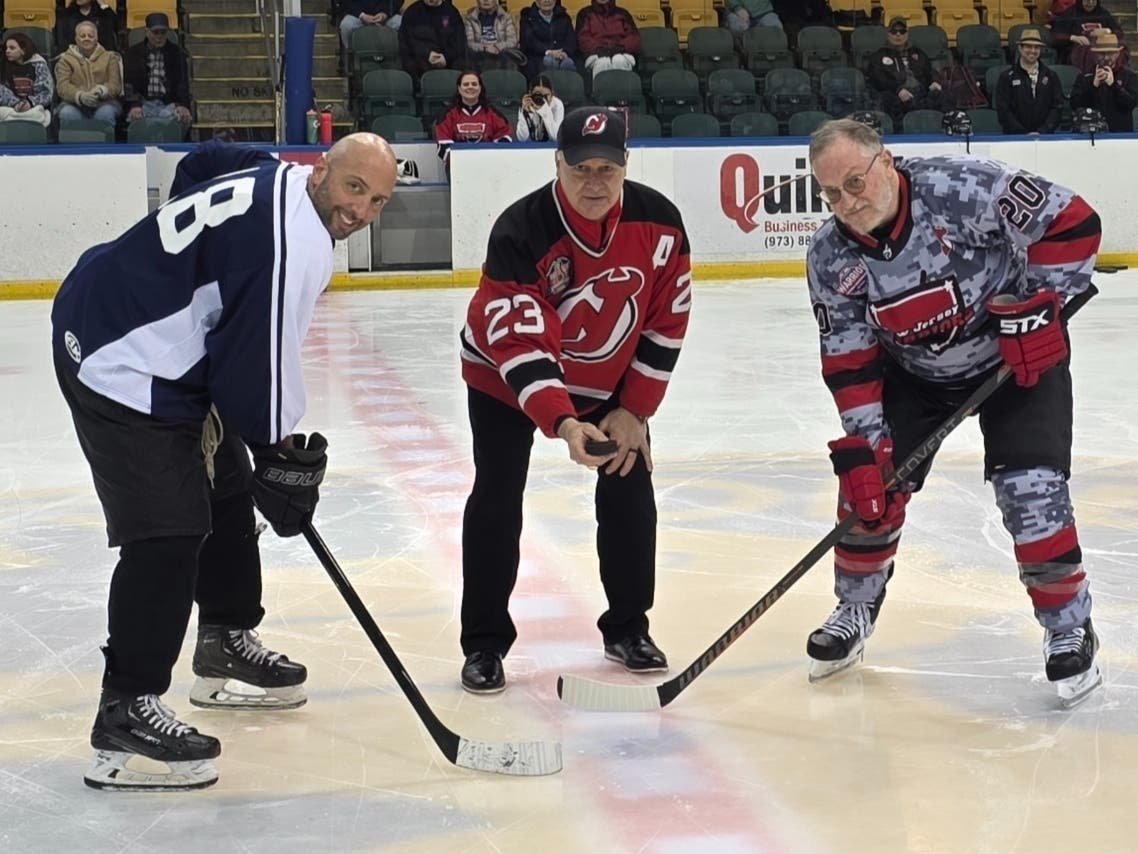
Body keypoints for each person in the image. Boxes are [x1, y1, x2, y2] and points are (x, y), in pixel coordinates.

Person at [52, 134, 398, 791]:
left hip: (122, 308)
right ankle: (125, 709)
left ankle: (223, 641)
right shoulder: (293, 245)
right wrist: (277, 453)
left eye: (378, 200)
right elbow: (255, 366)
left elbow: (200, 163)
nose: (361, 211)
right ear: (321, 170)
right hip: (116, 356)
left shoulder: (275, 172)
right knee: (168, 531)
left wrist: (189, 261)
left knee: (228, 491)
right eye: (354, 188)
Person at [803, 118, 1103, 707]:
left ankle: (1069, 626)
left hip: (1015, 362)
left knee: (1031, 488)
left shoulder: (961, 188)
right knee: (869, 487)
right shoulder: (831, 256)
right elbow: (848, 360)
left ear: (886, 162)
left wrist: (1037, 309)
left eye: (856, 183)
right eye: (831, 193)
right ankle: (854, 608)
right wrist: (870, 447)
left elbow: (1072, 222)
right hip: (914, 376)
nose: (847, 203)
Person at [457, 106, 692, 693]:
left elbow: (666, 322)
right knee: (497, 495)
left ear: (625, 164)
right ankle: (484, 642)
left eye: (606, 169)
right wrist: (562, 422)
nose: (594, 182)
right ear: (557, 162)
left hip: (609, 382)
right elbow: (521, 341)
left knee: (630, 487)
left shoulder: (661, 223)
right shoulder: (521, 229)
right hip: (504, 378)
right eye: (580, 168)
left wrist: (634, 411)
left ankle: (628, 628)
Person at [864, 17, 952, 126]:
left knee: (944, 96)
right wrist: (898, 90)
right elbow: (878, 79)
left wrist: (934, 81)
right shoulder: (879, 56)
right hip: (896, 94)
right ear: (888, 34)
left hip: (920, 93)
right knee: (887, 99)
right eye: (894, 31)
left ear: (907, 34)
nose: (898, 35)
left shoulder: (917, 53)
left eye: (902, 31)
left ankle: (947, 129)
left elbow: (929, 71)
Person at [123, 13, 193, 136]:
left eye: (163, 32)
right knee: (135, 119)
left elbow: (182, 84)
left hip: (169, 104)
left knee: (183, 118)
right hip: (143, 103)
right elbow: (129, 85)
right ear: (147, 32)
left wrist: (182, 105)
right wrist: (135, 105)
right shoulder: (133, 54)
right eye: (155, 32)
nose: (159, 36)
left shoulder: (177, 53)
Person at [434, 70, 513, 177]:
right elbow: (443, 145)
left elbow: (505, 138)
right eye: (466, 84)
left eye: (474, 84)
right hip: (458, 169)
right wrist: (466, 161)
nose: (470, 87)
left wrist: (487, 159)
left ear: (480, 88)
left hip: (489, 168)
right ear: (459, 89)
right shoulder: (447, 115)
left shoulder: (493, 113)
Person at [55, 20, 124, 128]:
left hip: (105, 103)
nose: (86, 38)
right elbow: (62, 87)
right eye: (82, 36)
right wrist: (80, 96)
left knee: (105, 114)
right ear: (76, 39)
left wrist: (102, 90)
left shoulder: (110, 58)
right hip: (73, 104)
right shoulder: (65, 60)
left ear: (96, 38)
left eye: (90, 36)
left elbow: (115, 86)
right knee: (67, 113)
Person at [995, 27, 1063, 135]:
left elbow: (1057, 107)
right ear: (1020, 48)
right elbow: (1003, 110)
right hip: (1015, 138)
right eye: (1028, 46)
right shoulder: (1007, 77)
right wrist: (1022, 134)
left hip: (1045, 137)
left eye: (1036, 47)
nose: (1033, 51)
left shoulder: (1051, 76)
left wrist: (1043, 131)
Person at [1069, 31, 1138, 132]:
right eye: (1101, 53)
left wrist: (1113, 86)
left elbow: (1131, 104)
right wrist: (1093, 86)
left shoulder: (1129, 76)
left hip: (1120, 134)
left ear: (1117, 54)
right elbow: (1075, 105)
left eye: (1110, 53)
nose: (1106, 57)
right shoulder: (1085, 76)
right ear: (1095, 54)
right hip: (1091, 134)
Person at [575, 0, 641, 81]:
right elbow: (583, 39)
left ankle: (623, 89)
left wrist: (620, 47)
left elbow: (634, 38)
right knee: (603, 62)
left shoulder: (623, 14)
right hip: (595, 54)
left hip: (622, 52)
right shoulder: (584, 14)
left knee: (619, 60)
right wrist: (599, 49)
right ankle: (600, 89)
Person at [399, 0, 467, 76]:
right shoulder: (412, 12)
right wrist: (427, 54)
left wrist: (446, 58)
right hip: (420, 63)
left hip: (448, 62)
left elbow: (459, 41)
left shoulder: (451, 12)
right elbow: (407, 41)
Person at [0, 32, 54, 127]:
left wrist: (30, 103)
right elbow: (2, 90)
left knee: (37, 114)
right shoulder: (4, 65)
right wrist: (16, 103)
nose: (7, 51)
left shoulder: (39, 65)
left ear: (23, 51)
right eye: (6, 48)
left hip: (33, 107)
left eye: (12, 48)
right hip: (11, 107)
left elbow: (46, 93)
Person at [1050, 0, 1124, 66]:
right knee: (1088, 53)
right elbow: (1055, 36)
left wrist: (1108, 31)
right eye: (1087, 0)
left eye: (1093, 1)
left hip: (1103, 47)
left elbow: (1119, 33)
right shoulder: (1070, 13)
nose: (1090, 3)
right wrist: (1073, 38)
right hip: (1078, 51)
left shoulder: (1103, 13)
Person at [519, 0, 578, 75]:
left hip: (562, 55)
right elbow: (529, 42)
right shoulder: (527, 18)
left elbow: (571, 39)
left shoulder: (564, 17)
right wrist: (548, 52)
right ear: (537, 2)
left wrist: (565, 52)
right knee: (550, 62)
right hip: (538, 57)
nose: (547, 1)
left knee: (568, 63)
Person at [464, 0, 524, 71]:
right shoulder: (470, 19)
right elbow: (469, 43)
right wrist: (485, 48)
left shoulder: (506, 17)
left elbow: (512, 41)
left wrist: (497, 47)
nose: (486, 0)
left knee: (507, 59)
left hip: (502, 54)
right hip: (480, 56)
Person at [515, 73, 564, 141]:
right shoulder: (527, 103)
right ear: (530, 93)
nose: (542, 99)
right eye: (538, 95)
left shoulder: (557, 105)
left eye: (546, 95)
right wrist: (525, 114)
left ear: (552, 94)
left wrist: (544, 110)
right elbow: (522, 138)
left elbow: (556, 136)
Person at [339, 0, 404, 50]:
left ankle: (403, 57)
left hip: (386, 14)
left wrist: (385, 14)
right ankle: (350, 55)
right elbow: (345, 2)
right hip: (358, 15)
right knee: (346, 25)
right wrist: (362, 15)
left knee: (402, 23)